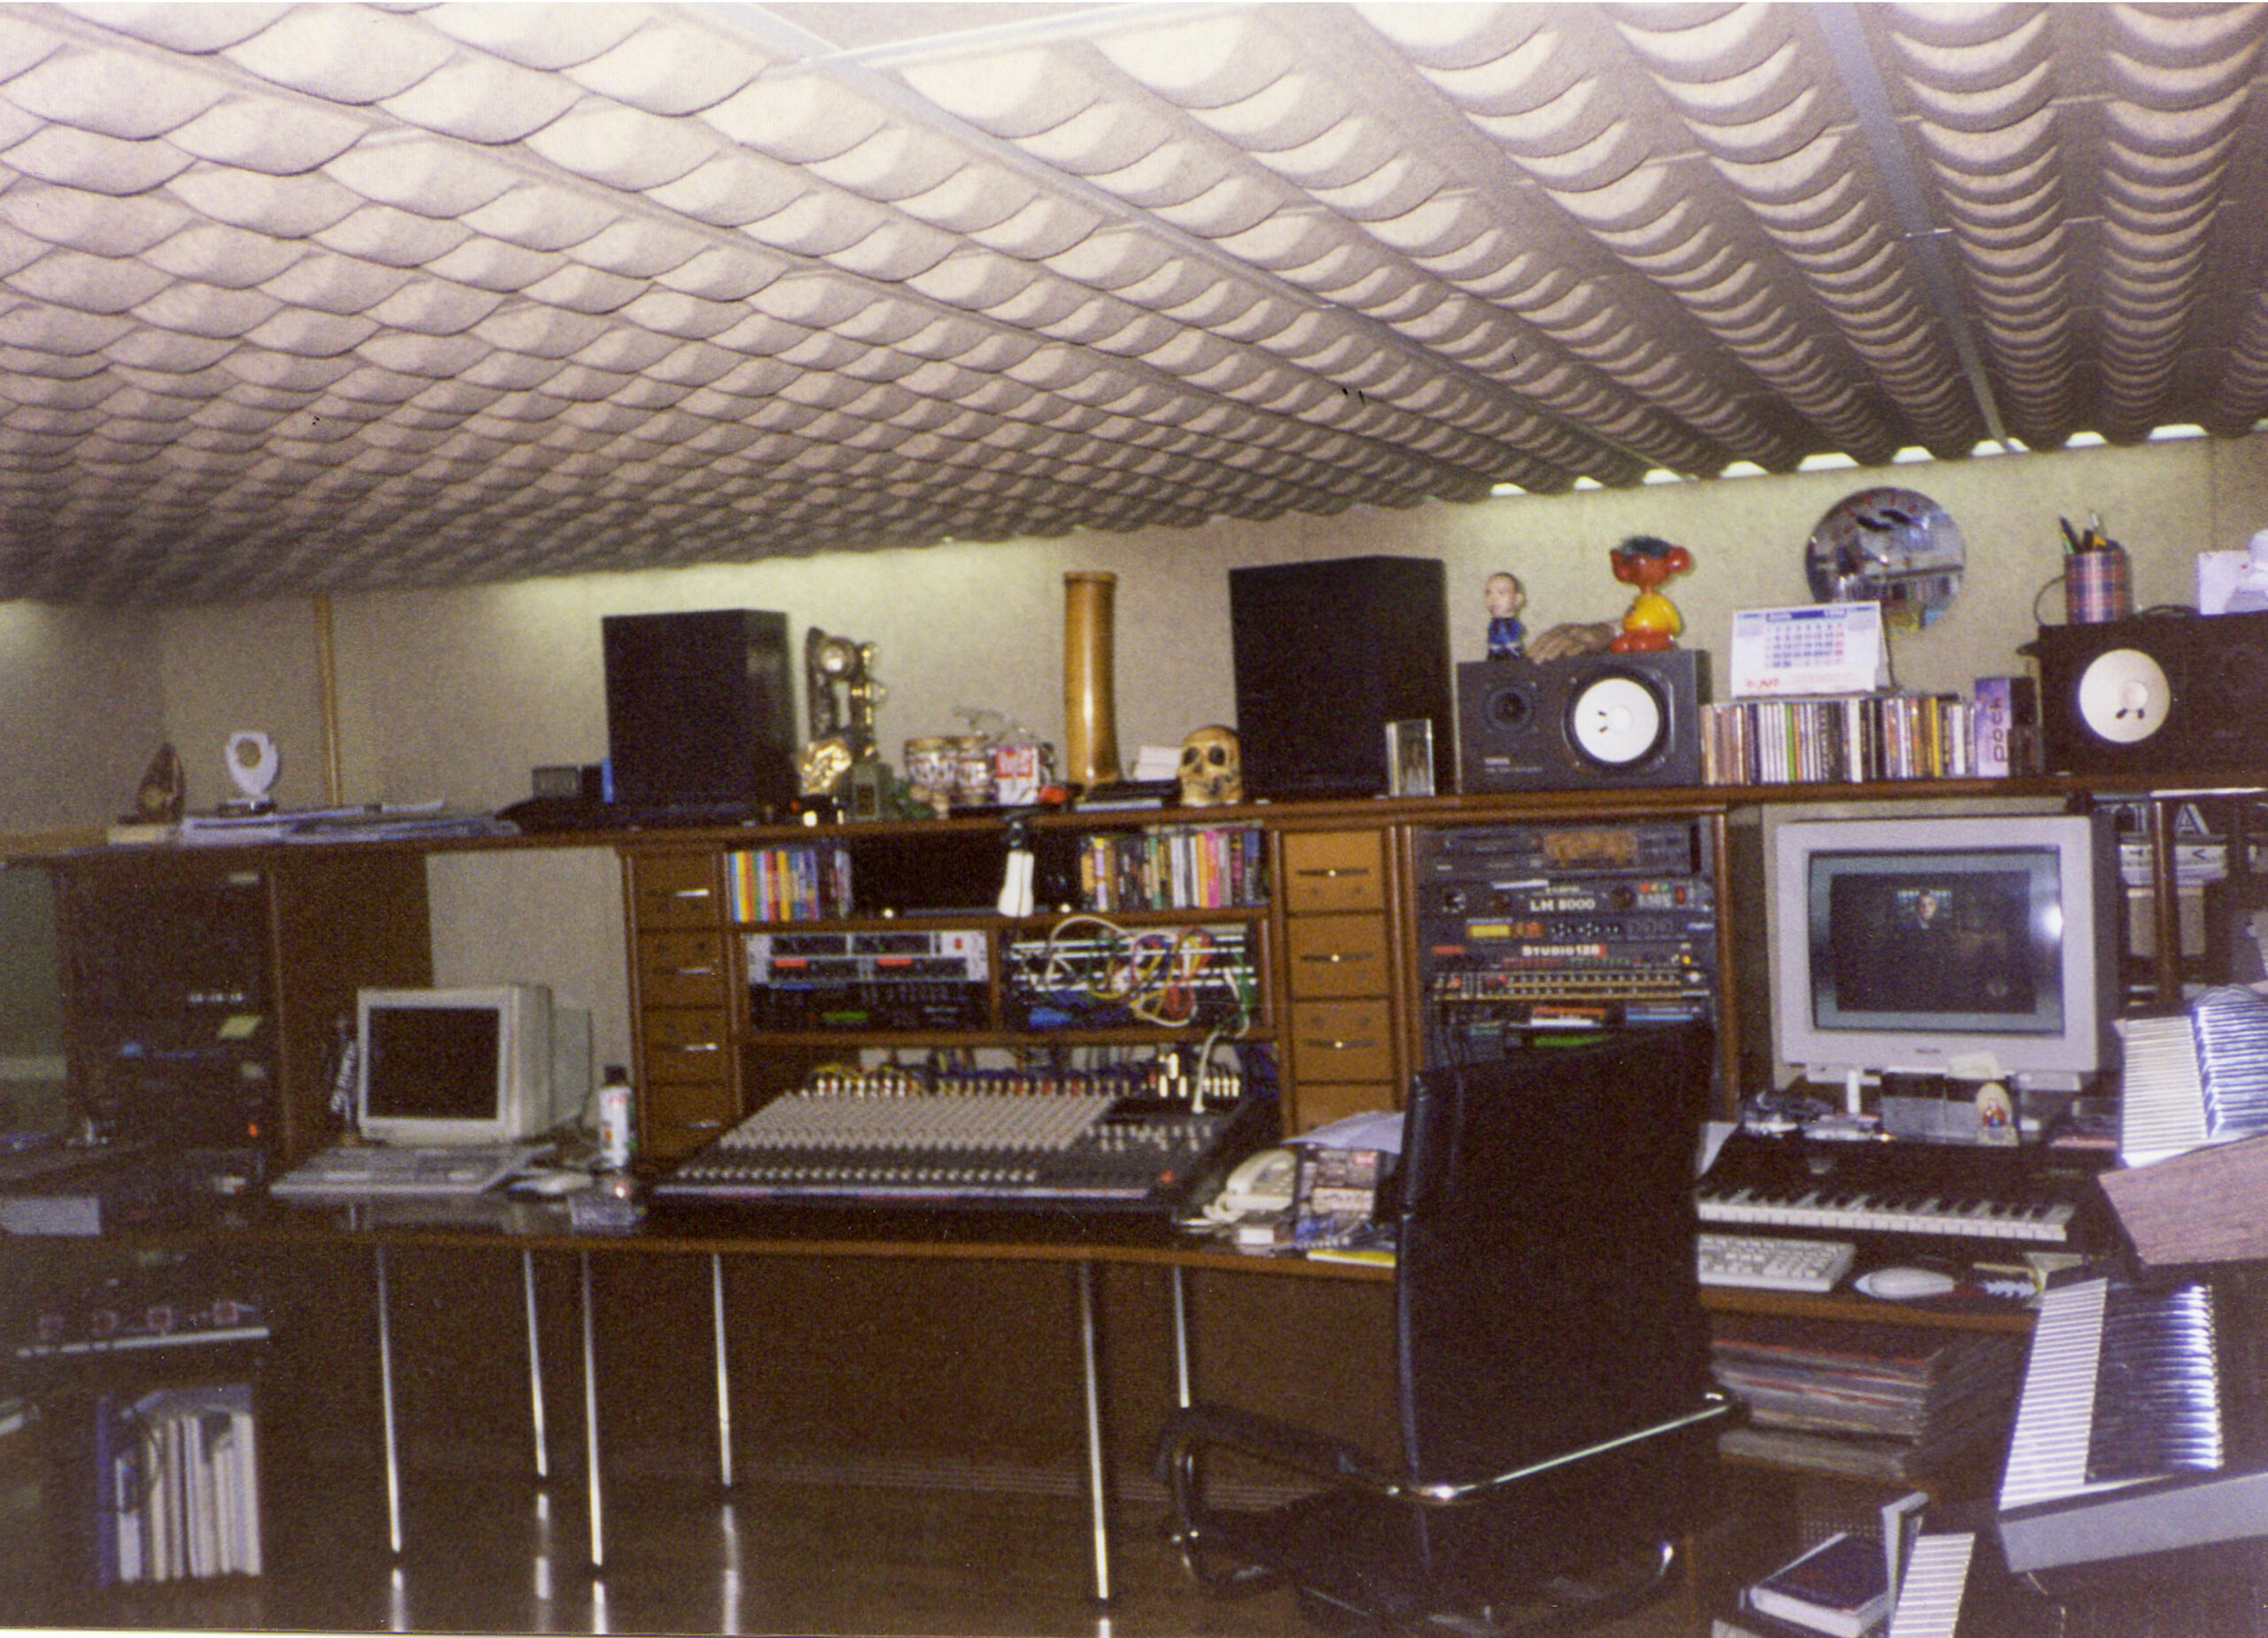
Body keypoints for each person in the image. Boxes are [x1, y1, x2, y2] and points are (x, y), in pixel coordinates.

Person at [1483, 571, 1526, 658]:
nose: (1494, 599)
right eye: (1489, 593)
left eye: (1501, 593)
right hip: (1494, 648)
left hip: (1511, 648)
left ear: (1517, 599)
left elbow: (1518, 630)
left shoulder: (1511, 623)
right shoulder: (1493, 623)